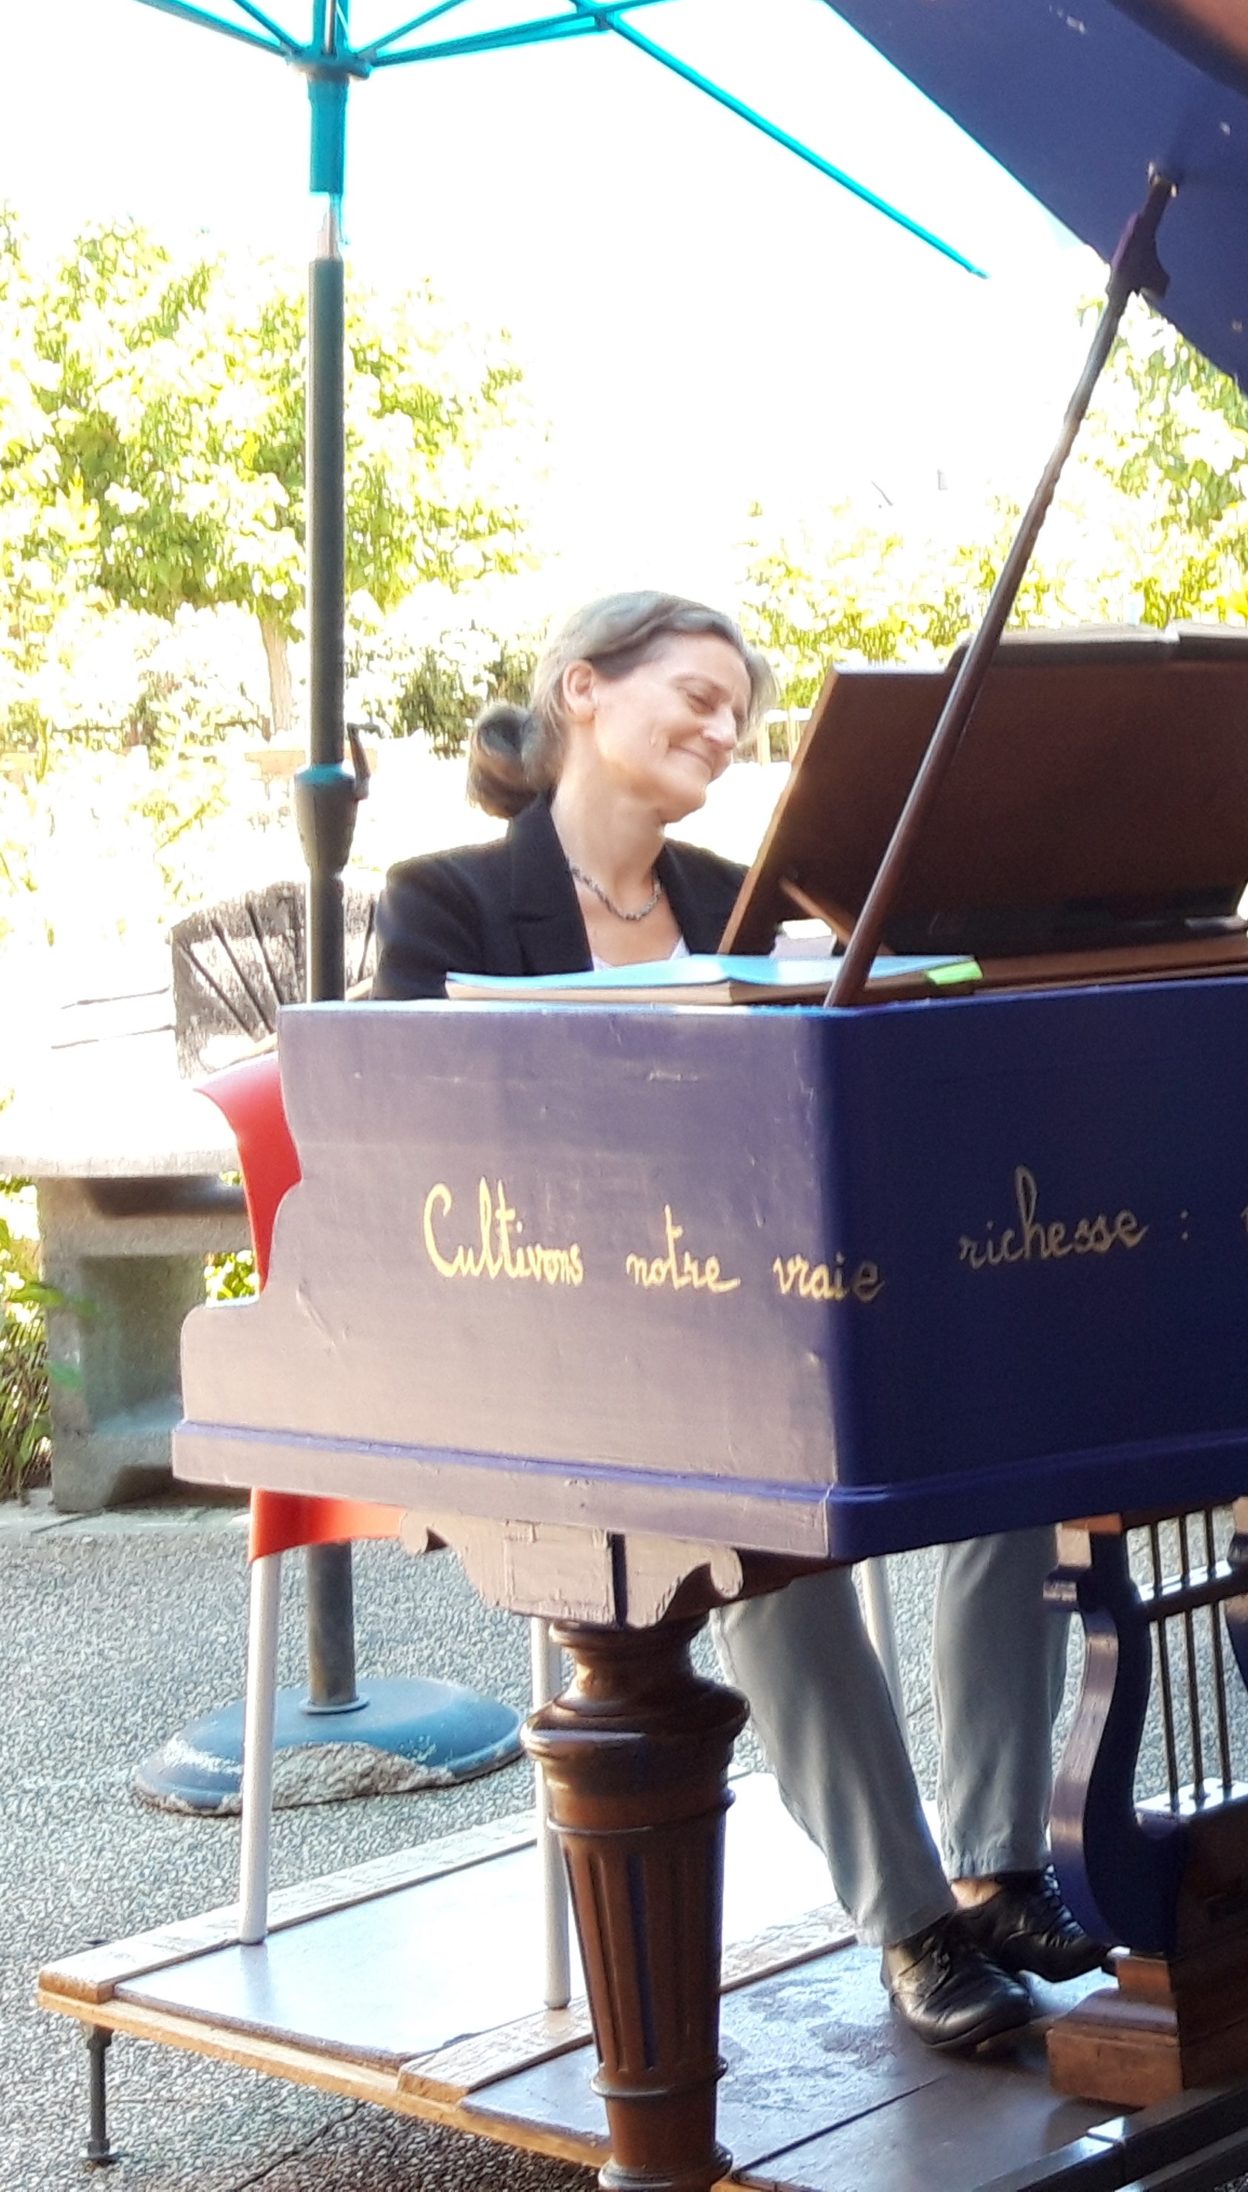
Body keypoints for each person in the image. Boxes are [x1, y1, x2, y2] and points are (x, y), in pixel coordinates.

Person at [373, 589, 1101, 2049]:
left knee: (1014, 1467)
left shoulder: (737, 895)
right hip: (548, 1335)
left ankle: (999, 1860)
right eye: (696, 696)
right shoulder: (444, 897)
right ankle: (911, 1926)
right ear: (582, 689)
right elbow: (408, 1130)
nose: (722, 729)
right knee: (767, 1534)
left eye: (737, 714)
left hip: (751, 1307)